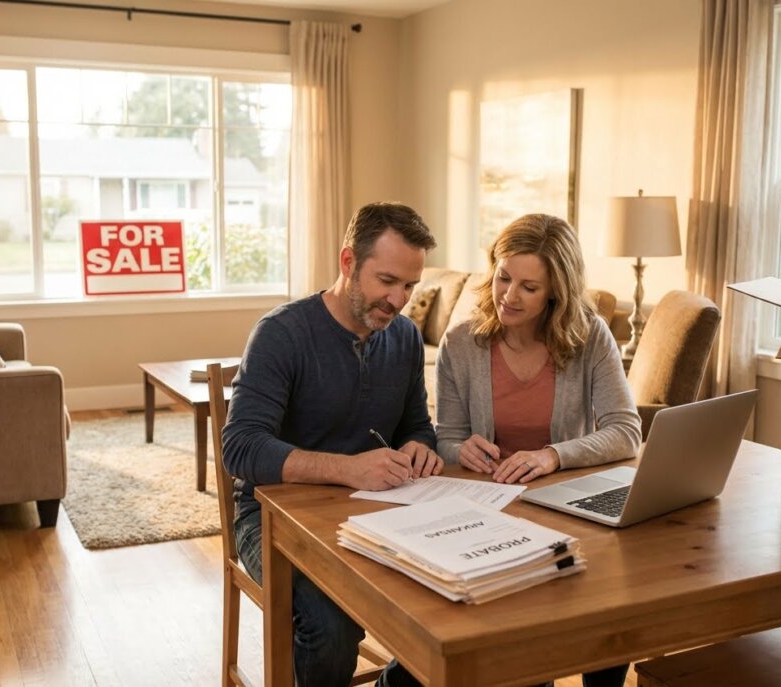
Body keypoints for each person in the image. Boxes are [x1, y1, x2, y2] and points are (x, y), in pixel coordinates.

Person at [222, 202, 443, 687]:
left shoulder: (404, 338)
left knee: (449, 602)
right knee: (332, 624)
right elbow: (240, 448)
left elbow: (416, 426)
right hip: (271, 521)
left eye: (409, 286)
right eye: (387, 281)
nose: (399, 299)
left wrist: (420, 447)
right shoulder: (281, 334)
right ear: (348, 262)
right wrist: (349, 469)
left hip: (377, 512)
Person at [435, 213, 642, 687]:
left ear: (556, 290)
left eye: (529, 287)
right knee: (520, 647)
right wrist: (460, 449)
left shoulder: (589, 336)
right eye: (504, 278)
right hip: (488, 510)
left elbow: (626, 430)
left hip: (564, 504)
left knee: (612, 617)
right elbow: (445, 435)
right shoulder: (463, 341)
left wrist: (552, 455)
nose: (508, 296)